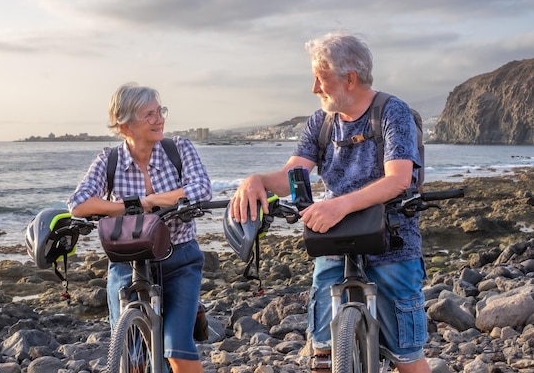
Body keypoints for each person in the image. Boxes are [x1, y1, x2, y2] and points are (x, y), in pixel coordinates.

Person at [230, 32, 428, 373]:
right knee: (322, 352)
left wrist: (338, 205)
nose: (314, 89)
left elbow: (398, 180)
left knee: (406, 355)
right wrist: (257, 181)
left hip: (393, 240)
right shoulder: (320, 122)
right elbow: (294, 175)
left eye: (320, 79)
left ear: (349, 79)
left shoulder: (392, 113)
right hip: (333, 240)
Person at [68, 83, 212, 373]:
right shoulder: (109, 160)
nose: (159, 120)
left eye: (160, 112)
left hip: (180, 258)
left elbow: (201, 189)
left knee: (176, 346)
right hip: (127, 261)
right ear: (125, 127)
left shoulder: (179, 149)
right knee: (132, 356)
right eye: (149, 115)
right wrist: (133, 205)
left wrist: (156, 201)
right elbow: (79, 204)